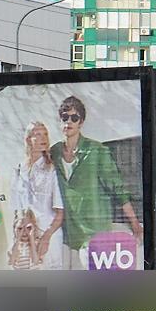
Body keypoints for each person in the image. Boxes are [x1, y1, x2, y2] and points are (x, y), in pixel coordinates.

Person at [54, 94, 141, 268]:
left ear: (81, 122)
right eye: (64, 117)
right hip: (67, 234)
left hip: (94, 233)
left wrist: (134, 222)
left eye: (74, 118)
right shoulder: (54, 152)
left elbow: (118, 189)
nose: (68, 122)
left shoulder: (96, 151)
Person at [5, 121, 62, 269]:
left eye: (45, 134)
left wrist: (46, 238)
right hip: (26, 240)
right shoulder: (19, 170)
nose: (43, 138)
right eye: (38, 134)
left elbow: (60, 212)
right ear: (28, 139)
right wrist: (15, 241)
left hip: (49, 237)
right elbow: (17, 212)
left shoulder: (52, 169)